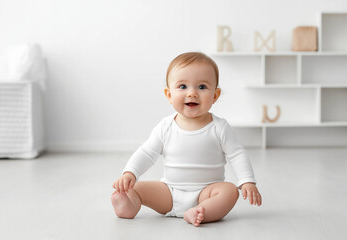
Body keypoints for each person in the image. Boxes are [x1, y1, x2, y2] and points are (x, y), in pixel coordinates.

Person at [111, 52, 262, 227]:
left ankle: (199, 212)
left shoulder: (219, 127)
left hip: (207, 193)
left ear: (215, 95)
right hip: (169, 192)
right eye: (182, 86)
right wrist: (130, 173)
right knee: (136, 188)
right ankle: (128, 205)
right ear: (169, 94)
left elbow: (236, 154)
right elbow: (147, 152)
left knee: (229, 191)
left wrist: (247, 181)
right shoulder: (165, 126)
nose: (192, 93)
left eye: (202, 87)